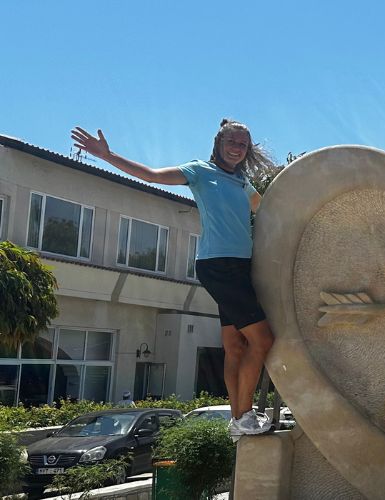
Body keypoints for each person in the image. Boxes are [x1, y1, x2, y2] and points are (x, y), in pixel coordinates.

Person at [71, 120, 277, 437]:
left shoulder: (241, 182)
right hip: (219, 265)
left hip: (241, 266)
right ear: (219, 142)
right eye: (232, 141)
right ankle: (246, 414)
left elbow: (267, 209)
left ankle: (238, 420)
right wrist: (108, 155)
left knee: (234, 346)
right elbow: (153, 176)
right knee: (262, 340)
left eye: (243, 144)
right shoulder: (199, 171)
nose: (237, 148)